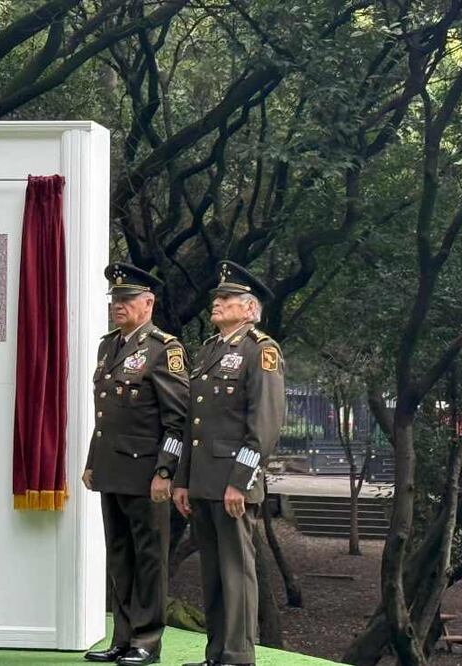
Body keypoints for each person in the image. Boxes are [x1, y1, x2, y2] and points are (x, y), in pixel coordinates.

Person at [172, 260, 285, 666]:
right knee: (214, 573)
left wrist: (241, 480)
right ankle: (216, 652)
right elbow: (192, 424)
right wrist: (182, 480)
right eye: (217, 298)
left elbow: (264, 425)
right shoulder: (210, 350)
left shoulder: (261, 351)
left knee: (237, 572)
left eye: (226, 298)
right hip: (203, 480)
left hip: (233, 482)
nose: (216, 303)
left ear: (250, 308)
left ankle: (237, 655)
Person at [82, 262, 190, 666]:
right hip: (112, 469)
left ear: (148, 303)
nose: (118, 306)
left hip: (146, 473)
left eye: (127, 300)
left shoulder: (165, 349)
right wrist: (93, 460)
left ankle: (147, 639)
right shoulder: (108, 345)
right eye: (116, 300)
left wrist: (165, 471)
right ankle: (122, 637)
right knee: (119, 555)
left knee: (149, 558)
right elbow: (106, 415)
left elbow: (177, 419)